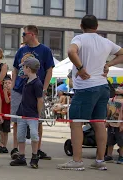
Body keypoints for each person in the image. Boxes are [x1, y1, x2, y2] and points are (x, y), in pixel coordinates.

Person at [57, 15, 123, 171]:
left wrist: (80, 68)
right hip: (102, 87)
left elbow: (71, 52)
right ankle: (100, 161)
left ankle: (77, 160)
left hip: (85, 87)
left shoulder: (79, 39)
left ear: (81, 26)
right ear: (97, 26)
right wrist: (109, 64)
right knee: (99, 123)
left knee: (76, 123)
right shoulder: (105, 41)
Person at [11, 25, 54, 160]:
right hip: (19, 89)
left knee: (37, 120)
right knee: (18, 119)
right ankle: (16, 149)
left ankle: (37, 149)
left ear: (32, 34)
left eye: (24, 34)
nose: (22, 36)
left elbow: (49, 70)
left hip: (35, 89)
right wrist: (13, 85)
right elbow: (15, 69)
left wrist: (44, 88)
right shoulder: (21, 50)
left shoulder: (45, 50)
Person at [10, 57, 43, 169]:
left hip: (32, 114)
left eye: (24, 67)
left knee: (34, 134)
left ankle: (34, 156)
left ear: (28, 68)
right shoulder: (25, 80)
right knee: (20, 135)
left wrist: (38, 114)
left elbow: (40, 99)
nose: (22, 69)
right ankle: (22, 156)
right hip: (22, 113)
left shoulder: (37, 83)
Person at [0, 76, 12, 154]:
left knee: (5, 131)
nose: (7, 84)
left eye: (9, 83)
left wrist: (6, 92)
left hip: (7, 115)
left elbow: (7, 101)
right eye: (5, 83)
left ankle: (5, 145)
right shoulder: (0, 92)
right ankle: (1, 144)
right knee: (0, 131)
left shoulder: (11, 93)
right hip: (1, 113)